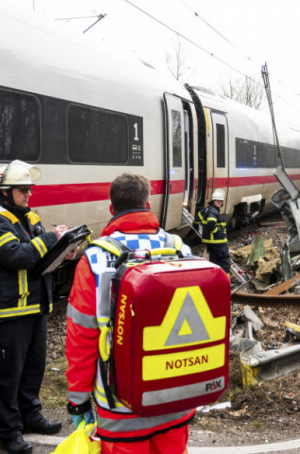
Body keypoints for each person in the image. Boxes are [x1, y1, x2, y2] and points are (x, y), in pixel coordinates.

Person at [65, 173, 194, 454]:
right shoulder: (179, 248)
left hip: (121, 406)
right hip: (175, 395)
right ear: (148, 204)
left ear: (112, 209)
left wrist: (78, 399)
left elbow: (81, 338)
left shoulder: (94, 259)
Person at [0, 160, 67, 454]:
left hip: (35, 308)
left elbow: (39, 256)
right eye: (23, 189)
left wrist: (65, 251)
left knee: (33, 369)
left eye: (30, 188)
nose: (29, 194)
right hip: (10, 312)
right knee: (10, 375)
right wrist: (53, 237)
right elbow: (17, 256)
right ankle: (9, 431)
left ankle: (30, 416)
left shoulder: (29, 217)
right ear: (4, 191)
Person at [195, 189, 231, 273]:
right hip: (218, 241)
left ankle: (215, 278)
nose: (219, 203)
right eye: (218, 201)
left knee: (214, 261)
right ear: (213, 200)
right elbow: (211, 223)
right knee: (225, 261)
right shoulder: (213, 211)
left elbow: (197, 218)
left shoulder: (206, 209)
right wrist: (216, 232)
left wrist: (196, 225)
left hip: (210, 241)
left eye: (221, 201)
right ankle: (225, 280)